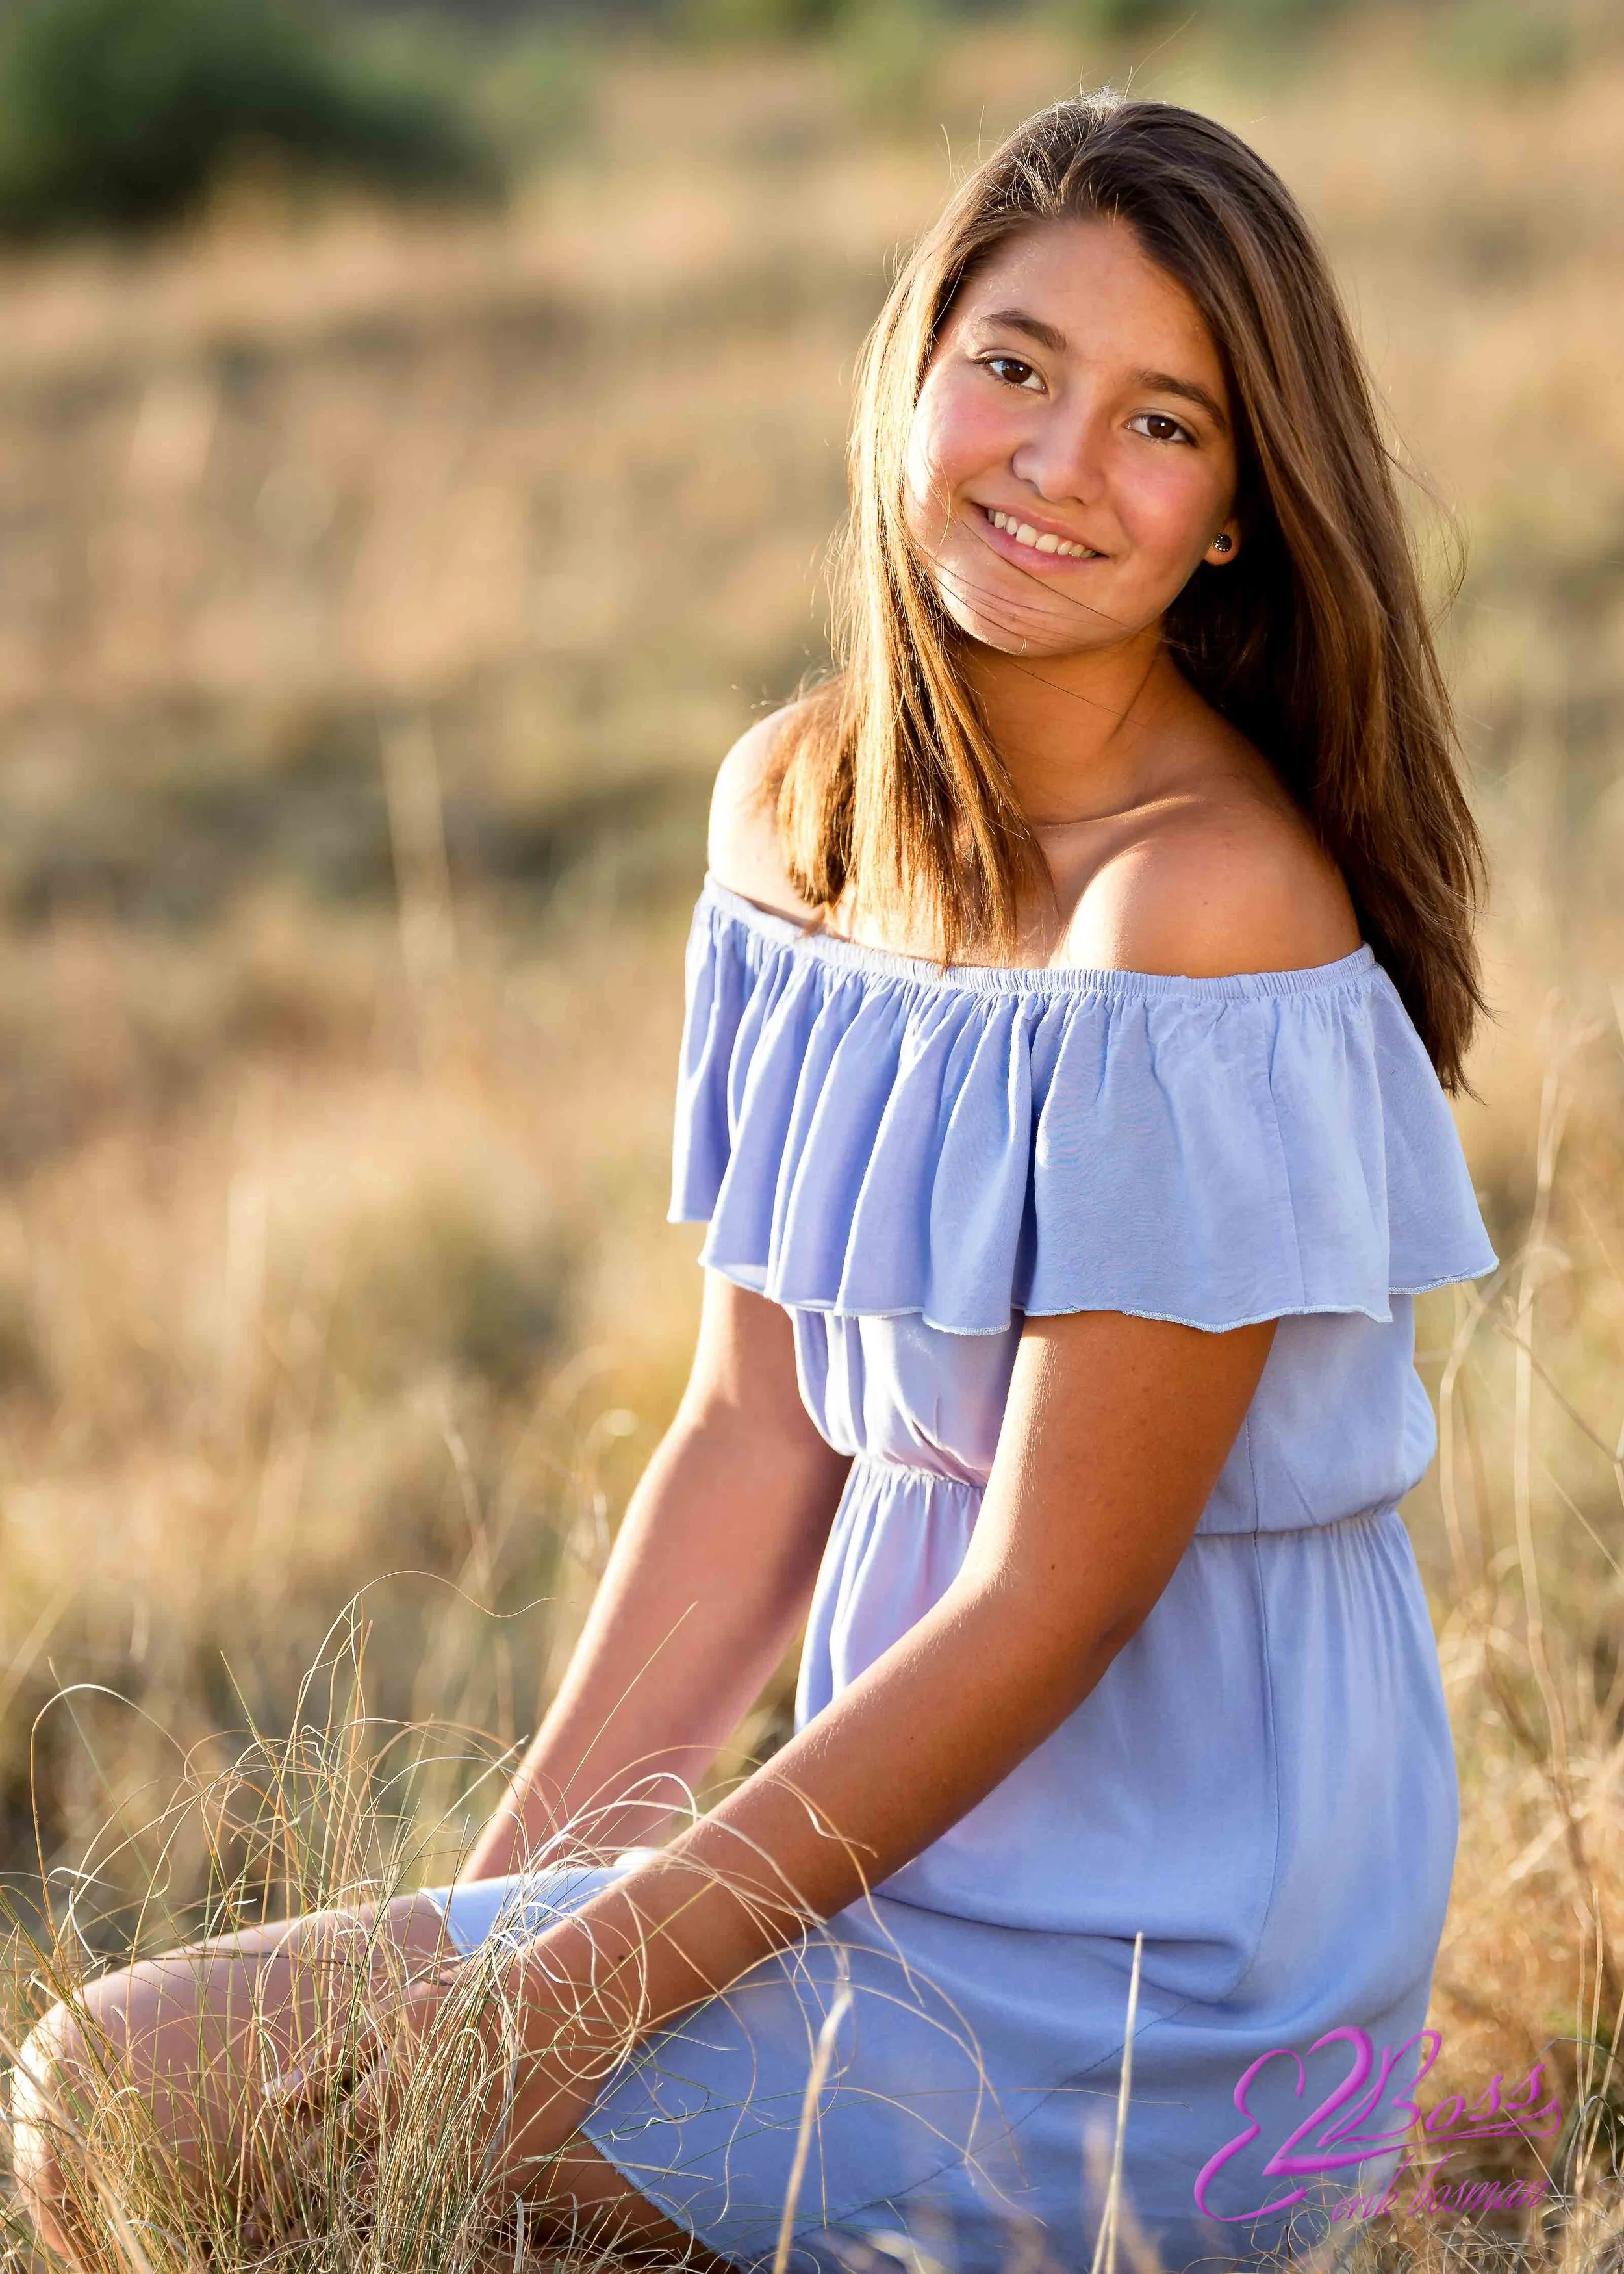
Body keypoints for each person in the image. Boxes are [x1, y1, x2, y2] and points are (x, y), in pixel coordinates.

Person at [12, 89, 1499, 2274]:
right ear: (911, 375)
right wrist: (488, 1947)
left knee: (151, 2099)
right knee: (139, 2111)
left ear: (1235, 519)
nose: (1055, 464)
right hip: (892, 1870)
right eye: (1010, 365)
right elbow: (748, 1437)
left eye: (1159, 422)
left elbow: (1045, 1606)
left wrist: (551, 2013)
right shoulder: (793, 811)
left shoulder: (1199, 914)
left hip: (1179, 1978)